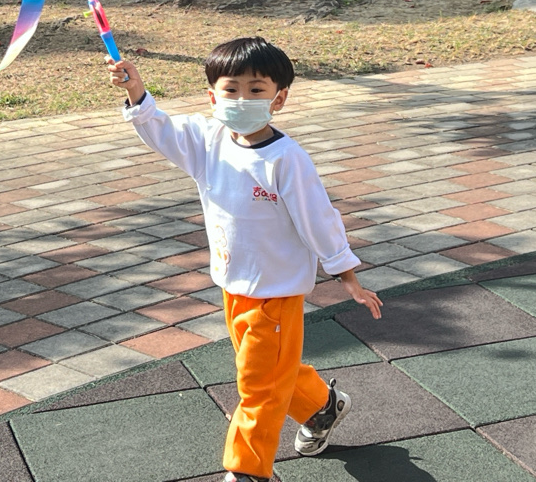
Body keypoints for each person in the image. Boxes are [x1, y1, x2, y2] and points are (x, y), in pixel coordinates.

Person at [107, 36, 382, 482]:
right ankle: (320, 406)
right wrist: (135, 90)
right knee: (268, 370)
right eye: (231, 89)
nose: (241, 99)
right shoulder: (208, 141)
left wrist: (345, 272)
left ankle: (248, 470)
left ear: (279, 98)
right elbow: (161, 130)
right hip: (233, 284)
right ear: (212, 95)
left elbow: (318, 218)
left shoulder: (287, 159)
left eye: (256, 90)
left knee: (258, 386)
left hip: (276, 291)